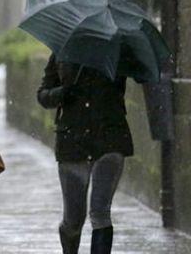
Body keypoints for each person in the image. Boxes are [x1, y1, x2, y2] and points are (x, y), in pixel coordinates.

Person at [37, 54, 133, 254]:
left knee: (100, 212)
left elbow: (139, 74)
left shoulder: (116, 51)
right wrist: (62, 93)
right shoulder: (62, 52)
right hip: (73, 143)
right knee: (73, 220)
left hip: (109, 140)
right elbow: (43, 95)